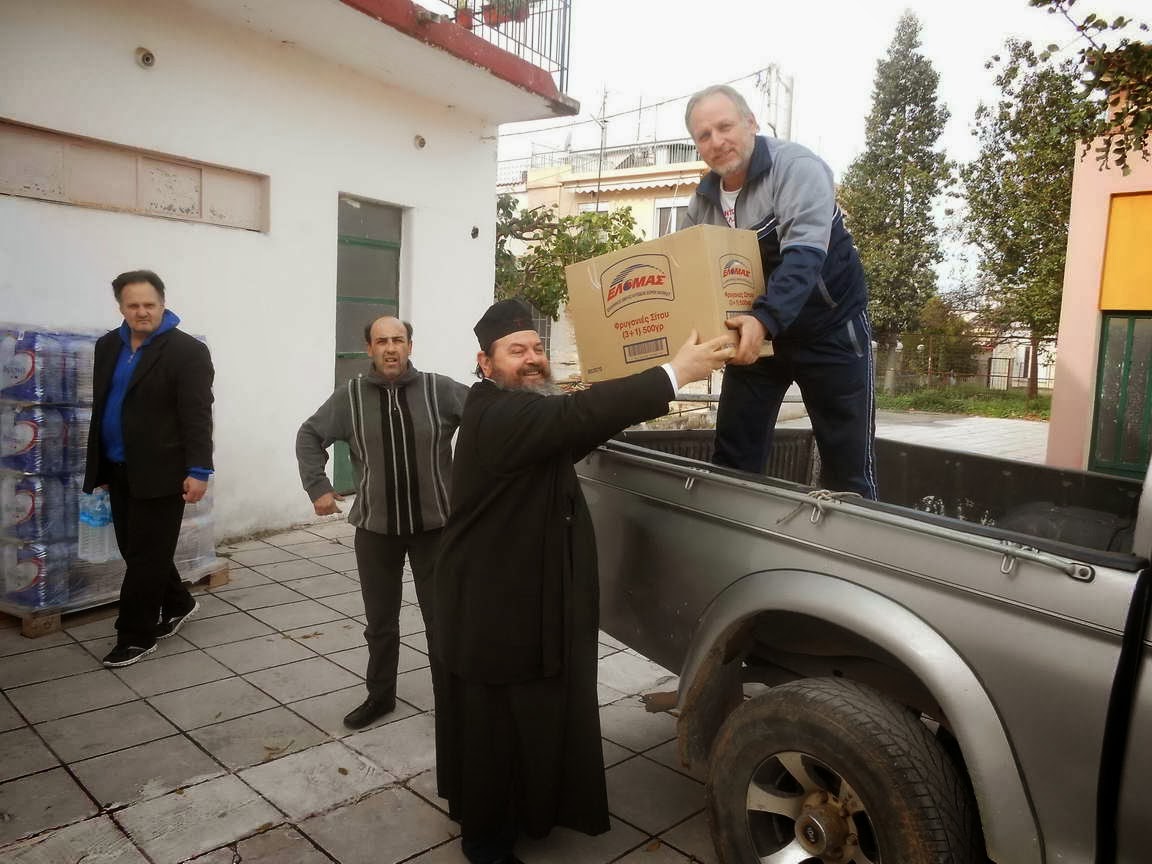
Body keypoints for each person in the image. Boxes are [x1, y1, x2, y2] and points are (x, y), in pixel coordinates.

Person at [433, 298, 735, 864]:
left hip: (527, 596)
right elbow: (571, 418)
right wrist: (672, 374)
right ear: (485, 362)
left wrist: (637, 391)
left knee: (528, 716)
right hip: (488, 604)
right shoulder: (493, 413)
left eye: (538, 348)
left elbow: (579, 425)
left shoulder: (524, 411)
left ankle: (529, 811)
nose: (532, 359)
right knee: (492, 726)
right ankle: (486, 842)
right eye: (515, 350)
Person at [683, 83, 878, 499]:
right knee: (733, 459)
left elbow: (805, 257)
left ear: (751, 123)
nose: (717, 141)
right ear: (697, 145)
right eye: (704, 135)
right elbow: (688, 276)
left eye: (725, 126)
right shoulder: (701, 202)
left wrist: (764, 319)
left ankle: (857, 556)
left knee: (848, 472)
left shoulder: (797, 168)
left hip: (830, 329)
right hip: (756, 336)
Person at [296, 316, 469, 730]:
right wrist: (318, 486)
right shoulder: (350, 397)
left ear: (410, 345)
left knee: (442, 619)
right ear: (368, 348)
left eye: (398, 340)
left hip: (435, 530)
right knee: (380, 622)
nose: (390, 348)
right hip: (376, 531)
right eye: (381, 341)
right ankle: (380, 696)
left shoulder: (439, 389)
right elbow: (309, 435)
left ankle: (453, 701)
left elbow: (488, 418)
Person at [83, 270, 214, 667]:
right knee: (138, 549)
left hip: (164, 470)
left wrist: (199, 470)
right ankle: (178, 601)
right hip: (120, 465)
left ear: (162, 303)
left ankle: (135, 635)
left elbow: (196, 415)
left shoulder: (186, 351)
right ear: (121, 307)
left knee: (145, 556)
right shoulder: (108, 346)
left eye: (149, 304)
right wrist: (101, 464)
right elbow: (104, 406)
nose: (142, 312)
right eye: (133, 305)